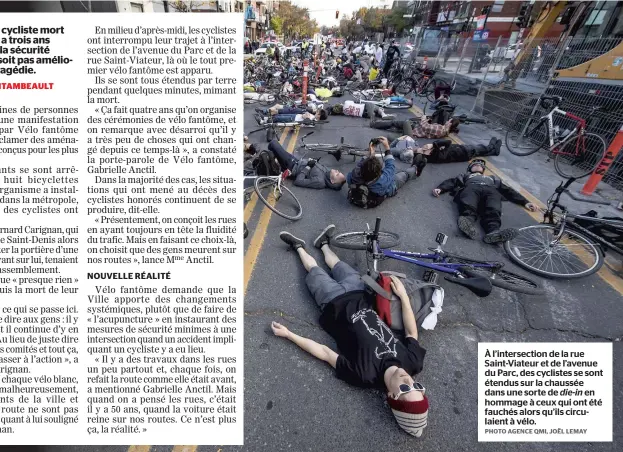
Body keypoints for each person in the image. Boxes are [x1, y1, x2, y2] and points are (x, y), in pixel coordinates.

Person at [273, 225, 429, 437]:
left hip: (333, 304)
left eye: (404, 390)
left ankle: (299, 247)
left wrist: (289, 335)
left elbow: (326, 353)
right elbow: (411, 332)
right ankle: (324, 244)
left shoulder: (362, 375)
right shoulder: (413, 363)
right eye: (416, 386)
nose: (408, 381)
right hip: (360, 293)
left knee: (315, 270)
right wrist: (402, 296)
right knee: (338, 264)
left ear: (391, 396)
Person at [433, 159, 538, 243]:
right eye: (475, 164)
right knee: (468, 202)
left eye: (480, 165)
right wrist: (441, 188)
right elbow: (452, 182)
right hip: (472, 187)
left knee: (493, 207)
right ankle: (468, 223)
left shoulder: (492, 178)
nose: (478, 165)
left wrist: (525, 202)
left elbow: (508, 191)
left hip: (490, 190)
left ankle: (494, 232)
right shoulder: (465, 176)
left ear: (483, 170)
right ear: (470, 168)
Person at [347, 137, 427, 199]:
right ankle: (416, 169)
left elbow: (362, 162)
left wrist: (372, 151)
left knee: (393, 174)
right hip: (387, 188)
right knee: (403, 175)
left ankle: (415, 168)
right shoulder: (383, 180)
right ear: (379, 172)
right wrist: (387, 147)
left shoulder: (355, 174)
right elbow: (391, 166)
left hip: (367, 189)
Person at [267, 139, 346, 190]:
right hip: (296, 161)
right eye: (338, 171)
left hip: (292, 166)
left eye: (337, 174)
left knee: (273, 143)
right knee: (272, 153)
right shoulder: (327, 173)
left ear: (332, 181)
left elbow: (298, 181)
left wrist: (308, 167)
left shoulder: (320, 182)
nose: (337, 171)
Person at [415, 137, 502, 163]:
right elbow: (448, 142)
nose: (424, 147)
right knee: (485, 148)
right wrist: (433, 144)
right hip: (465, 152)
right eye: (423, 150)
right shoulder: (438, 156)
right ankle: (494, 145)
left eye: (422, 147)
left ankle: (495, 152)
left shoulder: (434, 152)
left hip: (462, 149)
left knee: (481, 151)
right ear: (427, 154)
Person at [371, 115, 460, 140]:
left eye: (449, 120)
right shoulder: (444, 130)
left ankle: (374, 124)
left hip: (414, 131)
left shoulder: (441, 129)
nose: (447, 121)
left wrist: (424, 119)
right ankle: (377, 125)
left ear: (450, 124)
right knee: (394, 126)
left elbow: (426, 127)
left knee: (396, 122)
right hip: (416, 129)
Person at [329, 101, 394, 120]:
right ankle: (383, 114)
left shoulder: (344, 113)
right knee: (376, 107)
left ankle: (376, 114)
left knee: (374, 111)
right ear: (340, 105)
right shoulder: (346, 103)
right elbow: (353, 102)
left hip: (365, 115)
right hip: (366, 107)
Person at [258, 108, 328, 124]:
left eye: (318, 112)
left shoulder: (313, 120)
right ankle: (264, 118)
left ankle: (263, 121)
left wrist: (306, 114)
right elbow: (305, 114)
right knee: (280, 115)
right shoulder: (313, 117)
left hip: (294, 119)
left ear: (319, 116)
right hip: (296, 116)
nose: (317, 112)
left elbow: (304, 117)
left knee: (279, 118)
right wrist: (307, 114)